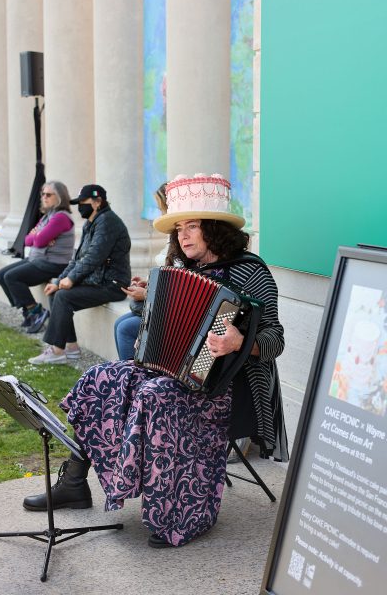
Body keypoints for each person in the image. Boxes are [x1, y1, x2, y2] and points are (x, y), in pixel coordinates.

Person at [23, 173, 288, 550]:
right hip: (175, 372)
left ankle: (180, 513)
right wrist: (145, 298)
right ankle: (74, 484)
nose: (183, 235)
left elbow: (275, 340)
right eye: (179, 227)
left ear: (216, 228)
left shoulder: (251, 271)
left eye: (192, 226)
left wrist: (240, 341)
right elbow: (161, 326)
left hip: (227, 386)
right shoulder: (182, 270)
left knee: (156, 395)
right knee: (98, 378)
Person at [28, 184, 131, 365]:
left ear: (97, 202)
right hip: (97, 281)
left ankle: (57, 350)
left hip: (112, 284)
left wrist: (72, 278)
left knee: (63, 297)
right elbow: (77, 258)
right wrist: (60, 280)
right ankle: (72, 347)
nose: (79, 206)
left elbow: (94, 257)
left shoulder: (108, 222)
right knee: (56, 292)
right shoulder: (92, 222)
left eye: (83, 202)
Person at [0, 181, 75, 333]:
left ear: (59, 197)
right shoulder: (48, 216)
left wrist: (38, 236)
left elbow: (38, 241)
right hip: (38, 260)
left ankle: (36, 311)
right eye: (43, 194)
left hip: (53, 264)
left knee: (11, 277)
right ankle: (28, 310)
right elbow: (27, 239)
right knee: (1, 275)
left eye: (48, 194)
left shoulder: (60, 218)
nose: (44, 197)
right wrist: (39, 237)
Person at [114, 183, 168, 360]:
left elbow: (177, 285)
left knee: (126, 328)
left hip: (166, 309)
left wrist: (146, 293)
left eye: (162, 209)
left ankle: (134, 379)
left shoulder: (181, 241)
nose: (160, 215)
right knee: (119, 323)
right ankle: (127, 374)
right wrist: (147, 281)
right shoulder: (173, 238)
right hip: (159, 302)